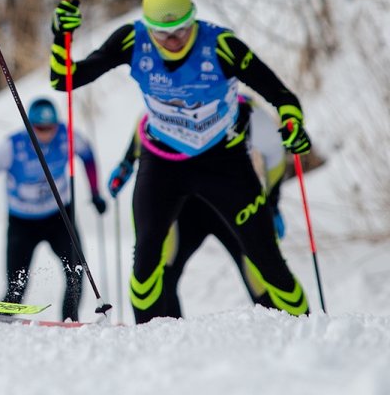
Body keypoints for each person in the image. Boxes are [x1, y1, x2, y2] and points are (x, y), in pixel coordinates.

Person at [50, 0, 311, 322]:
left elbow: (282, 95)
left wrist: (293, 126)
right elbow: (65, 80)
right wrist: (60, 35)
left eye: (182, 29)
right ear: (147, 27)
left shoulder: (221, 46)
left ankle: (311, 332)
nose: (174, 40)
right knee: (146, 261)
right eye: (163, 33)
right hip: (163, 163)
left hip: (224, 162)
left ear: (194, 19)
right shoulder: (132, 40)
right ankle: (146, 343)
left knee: (268, 263)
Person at [108, 98, 290, 316]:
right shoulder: (164, 100)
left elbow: (275, 153)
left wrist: (272, 203)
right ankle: (161, 341)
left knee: (262, 273)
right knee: (158, 272)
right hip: (184, 209)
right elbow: (145, 129)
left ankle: (290, 336)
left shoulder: (243, 108)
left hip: (232, 205)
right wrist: (126, 163)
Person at [0, 96, 106, 322]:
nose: (46, 133)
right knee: (16, 285)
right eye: (40, 128)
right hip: (23, 223)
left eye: (51, 127)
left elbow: (88, 156)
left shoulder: (67, 136)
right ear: (30, 125)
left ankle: (70, 321)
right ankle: (2, 321)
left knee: (76, 273)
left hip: (59, 218)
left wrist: (96, 193)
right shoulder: (11, 146)